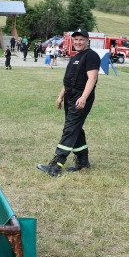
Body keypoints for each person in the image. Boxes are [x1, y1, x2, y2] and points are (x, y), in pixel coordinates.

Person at [36, 28, 100, 176]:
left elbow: (92, 78)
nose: (78, 42)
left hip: (81, 98)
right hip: (70, 97)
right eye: (75, 39)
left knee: (70, 128)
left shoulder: (91, 56)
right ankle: (83, 161)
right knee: (75, 128)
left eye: (81, 39)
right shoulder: (74, 57)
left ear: (87, 40)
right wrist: (60, 96)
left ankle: (56, 165)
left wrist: (83, 97)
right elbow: (68, 80)